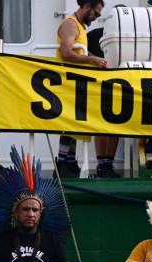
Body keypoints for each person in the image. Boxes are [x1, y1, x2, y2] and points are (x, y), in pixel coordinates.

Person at [54, 0, 108, 179]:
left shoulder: (79, 26)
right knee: (68, 126)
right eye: (96, 13)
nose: (96, 18)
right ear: (87, 6)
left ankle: (70, 162)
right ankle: (61, 164)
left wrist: (96, 59)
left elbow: (80, 52)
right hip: (67, 82)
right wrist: (93, 60)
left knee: (74, 126)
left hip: (76, 83)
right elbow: (66, 53)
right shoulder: (70, 24)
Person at [87, 5, 123, 178]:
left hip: (121, 86)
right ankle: (102, 164)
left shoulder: (131, 38)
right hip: (98, 85)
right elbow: (80, 51)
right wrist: (94, 59)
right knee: (101, 124)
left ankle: (108, 163)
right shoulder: (94, 35)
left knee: (116, 123)